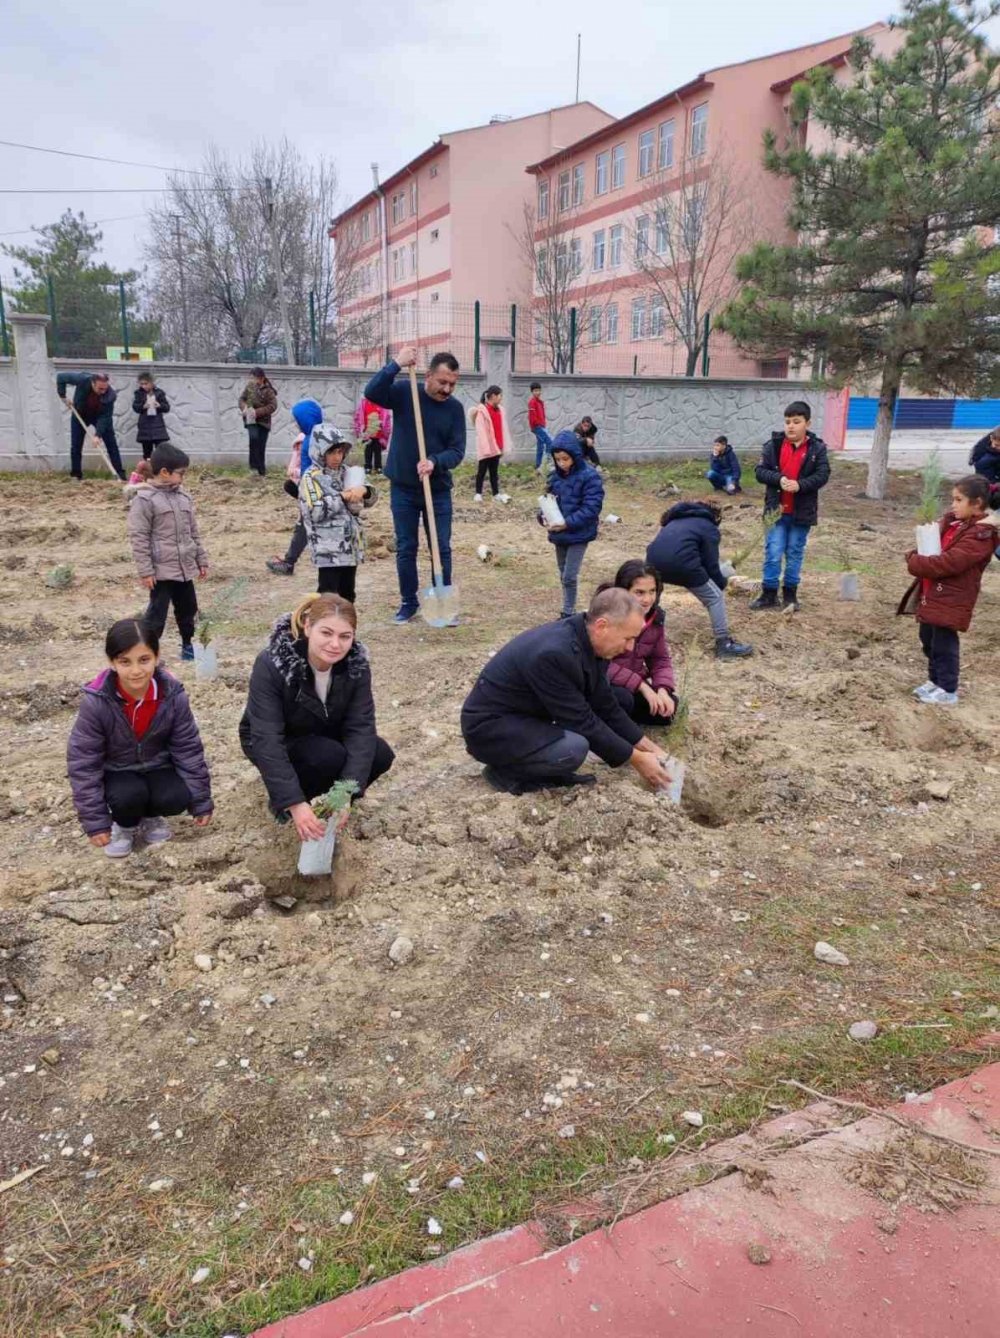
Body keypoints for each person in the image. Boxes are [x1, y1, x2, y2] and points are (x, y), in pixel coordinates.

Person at [460, 587, 674, 795]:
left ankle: (539, 770)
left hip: (523, 717)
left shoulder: (591, 643)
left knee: (601, 718)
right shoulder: (553, 654)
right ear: (602, 626)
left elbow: (605, 705)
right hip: (490, 729)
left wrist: (650, 748)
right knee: (572, 748)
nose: (630, 647)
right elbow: (582, 721)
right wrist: (636, 759)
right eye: (628, 638)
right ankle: (506, 774)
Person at [239, 593, 394, 841]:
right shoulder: (272, 663)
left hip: (323, 729)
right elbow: (266, 737)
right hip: (280, 737)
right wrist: (293, 802)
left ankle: (327, 804)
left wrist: (345, 794)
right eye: (326, 633)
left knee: (379, 752)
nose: (335, 644)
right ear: (308, 627)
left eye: (345, 636)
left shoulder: (356, 665)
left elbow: (360, 727)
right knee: (326, 757)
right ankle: (286, 804)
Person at [67, 618, 213, 859]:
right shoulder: (97, 702)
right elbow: (83, 762)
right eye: (125, 662)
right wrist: (96, 822)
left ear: (156, 657)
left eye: (144, 660)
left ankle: (151, 817)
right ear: (112, 662)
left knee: (176, 797)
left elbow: (188, 749)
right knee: (127, 796)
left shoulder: (172, 696)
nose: (136, 671)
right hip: (117, 771)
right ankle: (123, 826)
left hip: (158, 766)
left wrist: (200, 801)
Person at [363, 346, 466, 624]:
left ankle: (442, 600)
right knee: (407, 546)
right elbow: (371, 393)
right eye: (442, 382)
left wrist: (434, 461)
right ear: (429, 375)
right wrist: (396, 363)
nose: (447, 389)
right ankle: (409, 602)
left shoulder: (455, 410)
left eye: (452, 384)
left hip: (438, 490)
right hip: (404, 488)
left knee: (440, 546)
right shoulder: (406, 391)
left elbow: (457, 451)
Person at [898, 475, 998, 705]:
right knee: (928, 638)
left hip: (952, 596)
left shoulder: (980, 535)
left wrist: (914, 562)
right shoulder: (953, 523)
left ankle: (948, 689)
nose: (953, 504)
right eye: (953, 499)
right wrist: (916, 552)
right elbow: (932, 546)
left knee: (944, 643)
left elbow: (949, 562)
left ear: (977, 503)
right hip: (933, 591)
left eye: (958, 500)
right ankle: (934, 681)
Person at [126, 443, 208, 662]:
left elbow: (193, 532)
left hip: (184, 569)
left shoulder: (184, 498)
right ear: (164, 472)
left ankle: (188, 645)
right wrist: (146, 571)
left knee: (188, 610)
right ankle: (148, 651)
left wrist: (201, 559)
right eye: (181, 473)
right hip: (160, 572)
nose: (183, 478)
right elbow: (139, 537)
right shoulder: (144, 500)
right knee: (157, 615)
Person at [750, 400, 831, 612]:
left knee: (794, 551)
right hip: (775, 512)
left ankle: (790, 595)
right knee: (773, 551)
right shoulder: (772, 446)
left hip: (800, 512)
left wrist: (800, 485)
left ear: (808, 423)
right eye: (787, 422)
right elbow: (759, 472)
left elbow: (823, 475)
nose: (791, 426)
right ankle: (769, 593)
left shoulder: (817, 449)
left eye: (796, 421)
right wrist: (779, 479)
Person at [299, 424, 378, 601]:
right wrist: (343, 497)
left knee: (348, 595)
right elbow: (315, 511)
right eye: (331, 452)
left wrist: (365, 491)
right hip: (327, 550)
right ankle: (324, 628)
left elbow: (369, 498)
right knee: (328, 596)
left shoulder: (346, 472)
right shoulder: (311, 478)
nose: (337, 457)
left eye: (340, 452)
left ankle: (346, 628)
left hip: (349, 549)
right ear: (320, 452)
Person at [601, 560, 677, 723]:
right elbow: (600, 664)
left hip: (633, 684)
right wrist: (642, 686)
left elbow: (660, 659)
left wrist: (662, 689)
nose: (647, 599)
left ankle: (621, 717)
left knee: (668, 708)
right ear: (624, 591)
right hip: (605, 683)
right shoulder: (606, 617)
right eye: (639, 592)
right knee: (623, 699)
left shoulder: (654, 620)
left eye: (652, 591)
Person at [541, 430, 604, 619]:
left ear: (575, 457)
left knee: (569, 575)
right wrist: (543, 516)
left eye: (566, 459)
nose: (562, 463)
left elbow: (592, 507)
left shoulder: (589, 476)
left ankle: (568, 613)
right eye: (558, 459)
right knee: (563, 574)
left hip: (578, 533)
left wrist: (567, 524)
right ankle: (567, 607)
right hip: (559, 533)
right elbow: (549, 501)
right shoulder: (555, 477)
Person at [266, 398, 324, 577]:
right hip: (314, 489)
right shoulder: (316, 436)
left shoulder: (313, 441)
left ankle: (289, 562)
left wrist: (307, 492)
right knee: (308, 525)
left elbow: (316, 469)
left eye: (298, 420)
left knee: (304, 525)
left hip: (314, 490)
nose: (296, 424)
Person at [55, 370, 126, 480]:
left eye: (105, 388)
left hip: (99, 416)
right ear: (92, 383)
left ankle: (120, 475)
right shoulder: (82, 379)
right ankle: (76, 474)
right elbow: (61, 377)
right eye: (100, 388)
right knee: (76, 446)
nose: (103, 391)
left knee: (111, 444)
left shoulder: (110, 395)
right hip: (80, 414)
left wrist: (97, 435)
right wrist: (63, 397)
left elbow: (105, 418)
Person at [471, 385, 511, 503]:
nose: (501, 398)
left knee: (494, 472)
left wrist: (502, 445)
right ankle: (478, 493)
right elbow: (481, 431)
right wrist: (485, 448)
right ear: (493, 396)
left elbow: (502, 429)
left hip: (497, 447)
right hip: (486, 448)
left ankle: (495, 493)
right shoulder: (482, 411)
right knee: (481, 471)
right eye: (500, 396)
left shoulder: (500, 410)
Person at [239, 367, 278, 476]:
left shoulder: (268, 390)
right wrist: (244, 408)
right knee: (253, 439)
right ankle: (253, 468)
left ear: (261, 378)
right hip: (251, 421)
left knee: (261, 445)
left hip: (263, 422)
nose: (252, 380)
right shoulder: (249, 387)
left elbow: (272, 406)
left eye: (254, 378)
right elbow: (241, 399)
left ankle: (261, 471)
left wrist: (257, 412)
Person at [131, 373, 171, 461]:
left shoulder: (159, 392)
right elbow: (135, 407)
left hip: (158, 426)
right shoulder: (138, 393)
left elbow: (167, 407)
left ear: (151, 383)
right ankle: (148, 470)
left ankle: (160, 470)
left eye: (146, 383)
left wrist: (159, 405)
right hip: (145, 426)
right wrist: (143, 406)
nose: (143, 386)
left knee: (161, 452)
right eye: (141, 384)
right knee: (147, 453)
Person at [354, 396, 392, 475]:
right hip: (367, 434)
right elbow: (359, 416)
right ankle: (368, 467)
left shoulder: (381, 404)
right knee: (368, 451)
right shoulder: (364, 403)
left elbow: (386, 418)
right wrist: (360, 429)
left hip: (378, 435)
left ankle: (378, 467)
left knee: (377, 452)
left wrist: (383, 428)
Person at [528, 382, 552, 473]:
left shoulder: (540, 402)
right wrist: (537, 424)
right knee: (549, 441)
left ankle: (538, 465)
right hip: (537, 426)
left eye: (538, 390)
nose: (537, 392)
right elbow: (532, 416)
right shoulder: (532, 402)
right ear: (532, 392)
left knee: (540, 445)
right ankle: (547, 462)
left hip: (541, 425)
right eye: (535, 391)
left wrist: (543, 424)